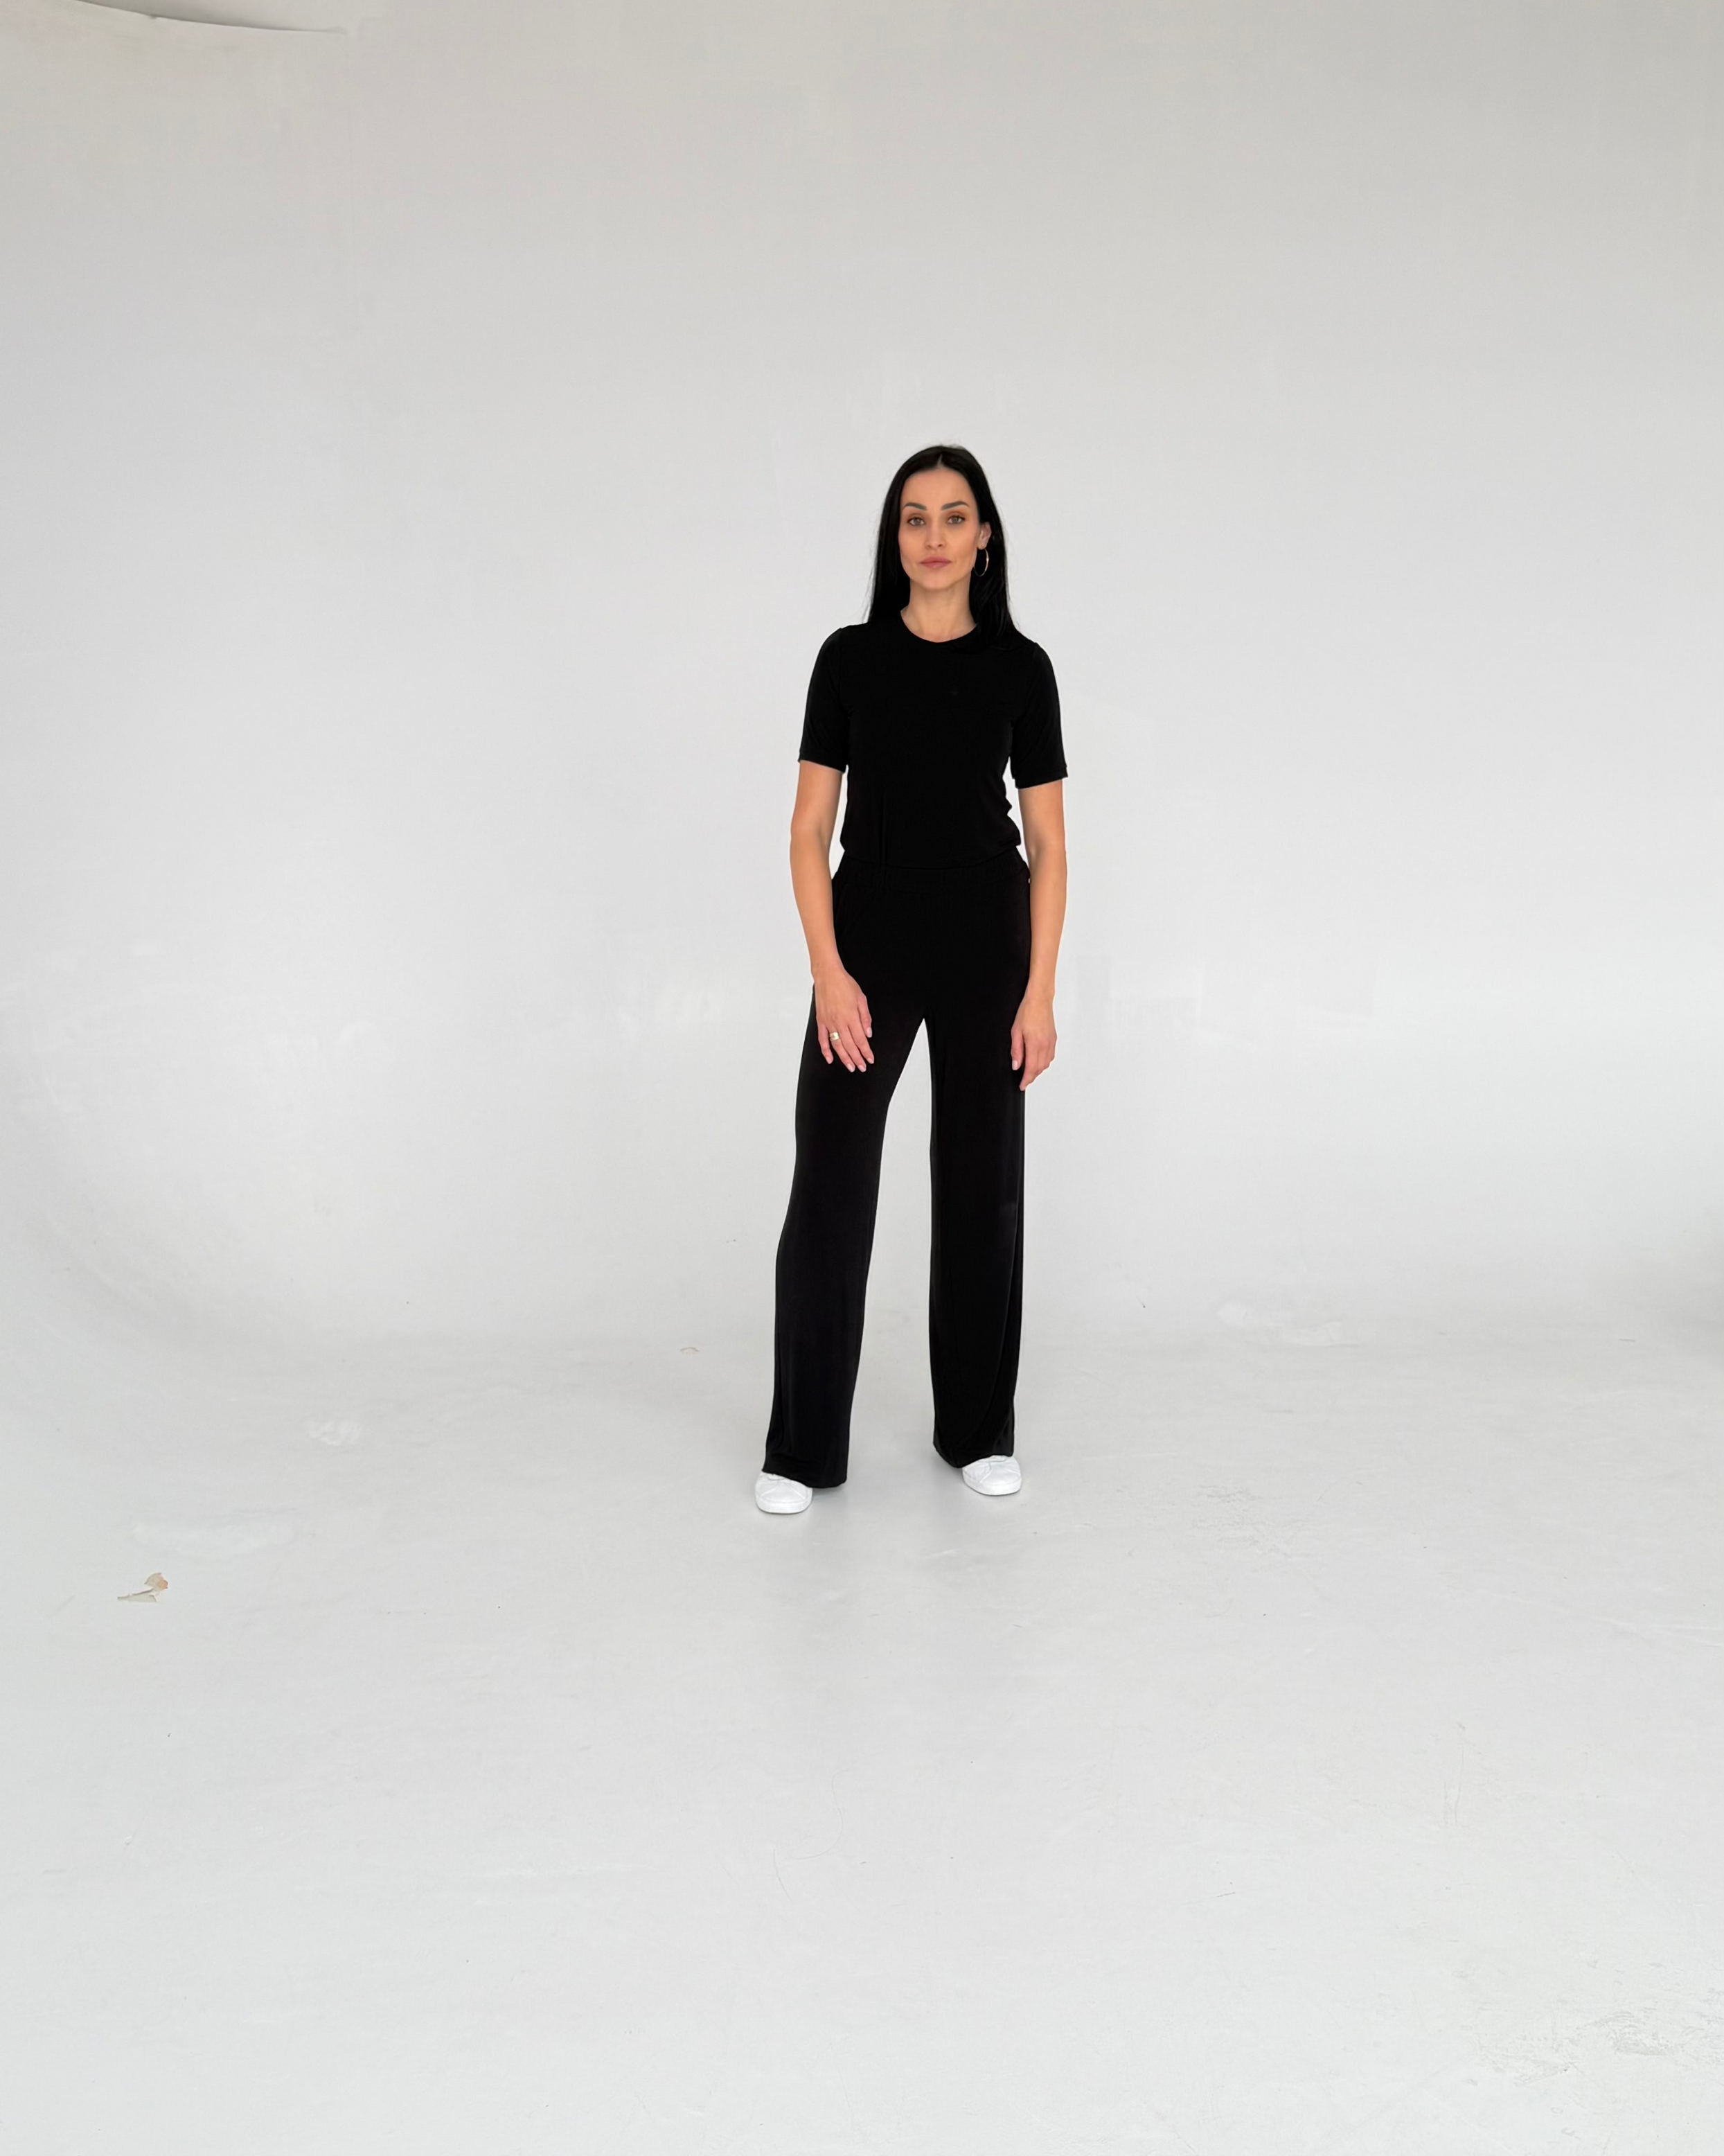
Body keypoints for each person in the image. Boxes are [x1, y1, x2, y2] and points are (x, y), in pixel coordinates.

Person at [756, 443, 1069, 1514]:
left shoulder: (1023, 669)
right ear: (895, 540)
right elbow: (808, 831)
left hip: (988, 937)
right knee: (831, 1185)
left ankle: (978, 1430)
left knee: (983, 1187)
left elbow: (1049, 844)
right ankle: (802, 1448)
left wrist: (1039, 991)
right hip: (872, 934)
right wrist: (828, 970)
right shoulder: (849, 660)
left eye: (954, 516)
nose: (934, 536)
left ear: (985, 538)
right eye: (914, 518)